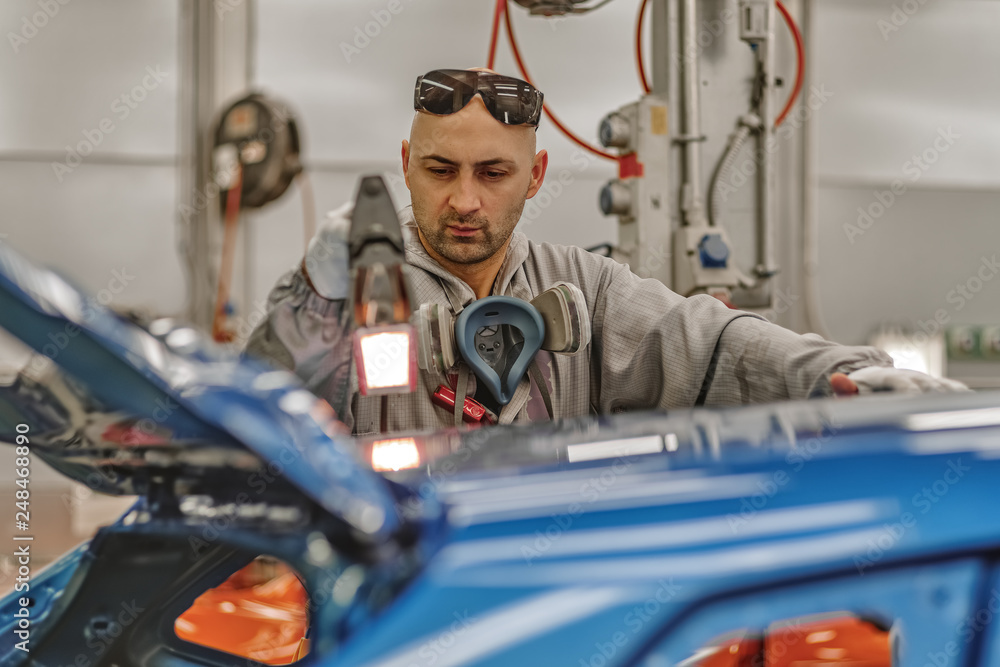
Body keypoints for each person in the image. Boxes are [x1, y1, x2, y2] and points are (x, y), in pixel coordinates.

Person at [244, 68, 966, 436]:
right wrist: (310, 299)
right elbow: (249, 406)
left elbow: (715, 343)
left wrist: (846, 376)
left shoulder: (583, 289)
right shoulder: (356, 285)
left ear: (536, 174)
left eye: (493, 173)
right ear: (405, 163)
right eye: (440, 170)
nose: (464, 200)